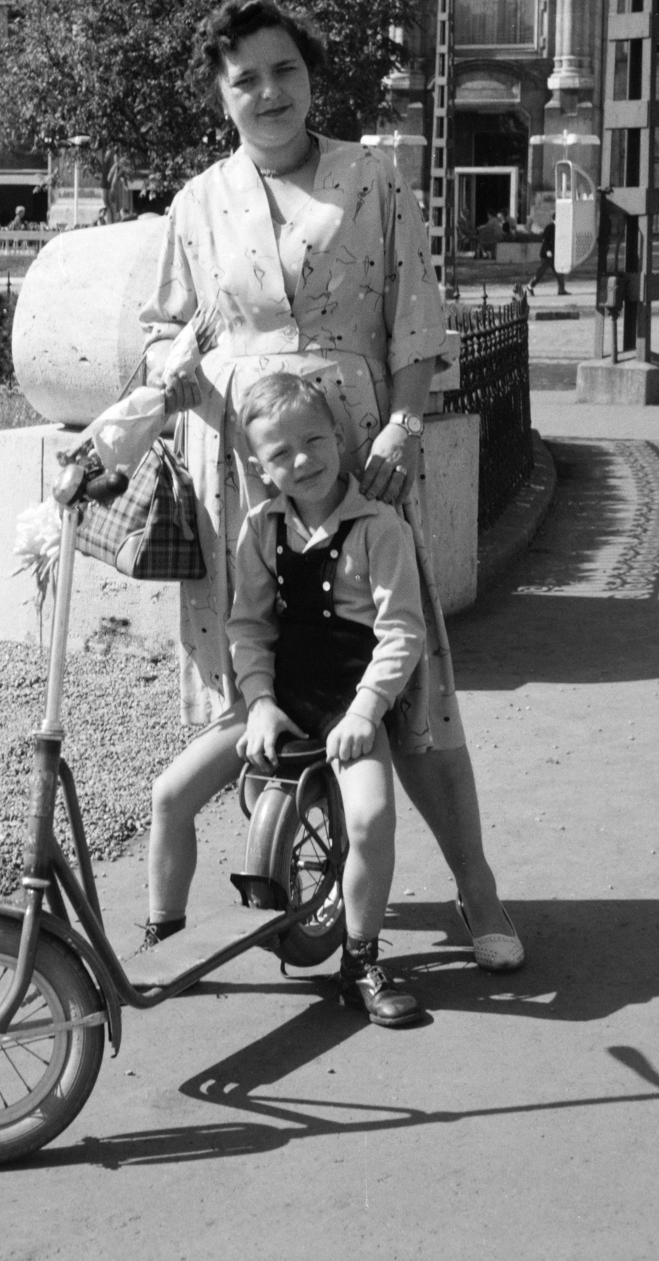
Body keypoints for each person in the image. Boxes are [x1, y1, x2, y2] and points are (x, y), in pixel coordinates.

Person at [140, 0, 523, 969]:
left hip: (356, 457)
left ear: (309, 79)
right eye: (245, 79)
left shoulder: (370, 177)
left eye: (283, 71)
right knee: (258, 665)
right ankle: (293, 880)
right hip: (239, 465)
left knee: (404, 678)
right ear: (220, 97)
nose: (267, 91)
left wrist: (401, 421)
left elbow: (411, 315)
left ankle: (476, 888)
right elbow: (159, 332)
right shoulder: (194, 204)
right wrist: (170, 367)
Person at [151, 373, 429, 1025]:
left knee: (367, 819)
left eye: (312, 441)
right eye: (279, 454)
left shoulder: (377, 528)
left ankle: (359, 958)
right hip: (276, 699)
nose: (300, 461)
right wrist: (259, 701)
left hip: (346, 704)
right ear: (258, 465)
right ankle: (167, 941)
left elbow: (401, 633)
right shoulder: (261, 527)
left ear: (338, 436)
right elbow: (248, 627)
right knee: (169, 794)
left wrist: (365, 712)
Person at [528, 219, 568, 296]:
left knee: (559, 272)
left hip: (555, 254)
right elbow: (545, 239)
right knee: (540, 272)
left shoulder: (560, 227)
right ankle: (530, 286)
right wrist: (547, 250)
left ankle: (561, 289)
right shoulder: (550, 226)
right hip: (547, 255)